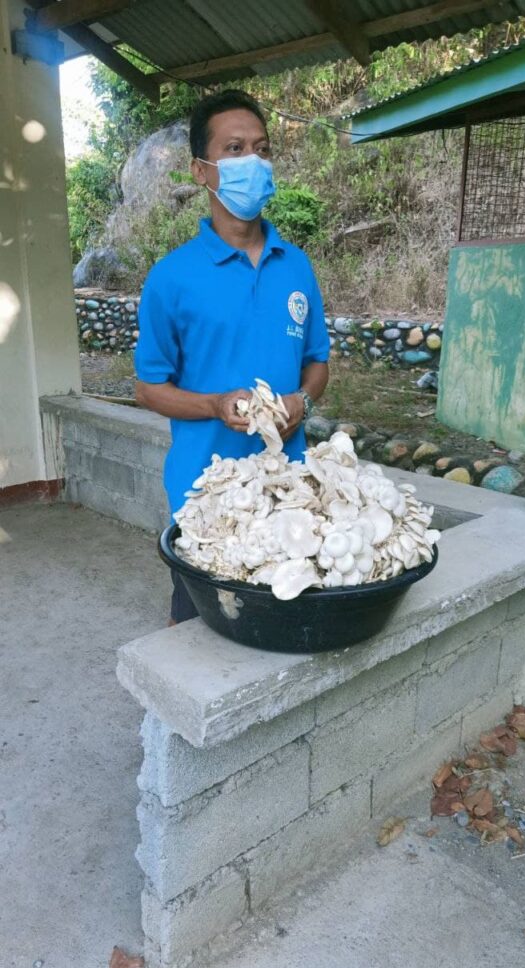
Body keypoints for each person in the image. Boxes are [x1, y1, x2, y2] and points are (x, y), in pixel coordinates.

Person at [134, 89, 331, 624]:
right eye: (235, 148)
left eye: (262, 149)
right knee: (199, 624)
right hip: (204, 497)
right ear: (202, 170)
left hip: (288, 490)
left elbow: (318, 363)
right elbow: (148, 387)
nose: (253, 162)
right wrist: (217, 402)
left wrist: (301, 404)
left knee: (285, 618)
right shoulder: (171, 278)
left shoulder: (296, 266)